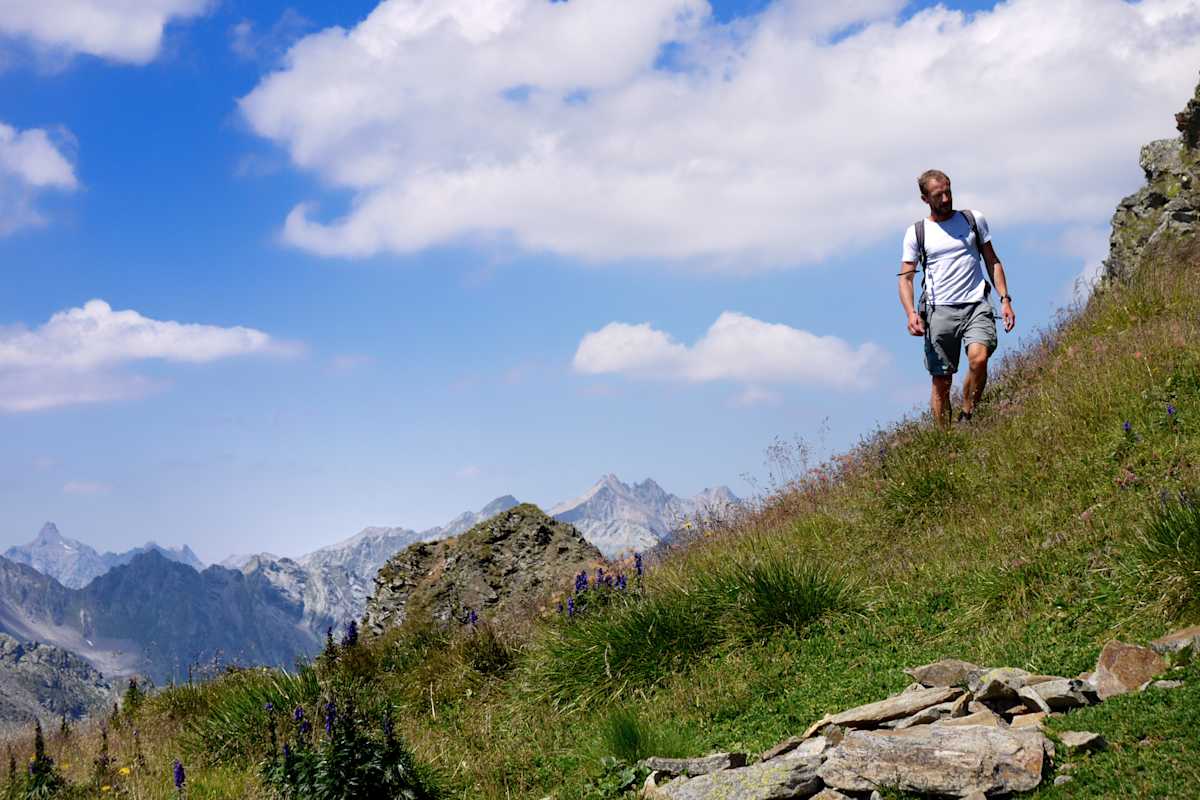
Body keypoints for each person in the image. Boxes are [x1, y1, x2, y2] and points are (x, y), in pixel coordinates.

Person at [898, 170, 1015, 427]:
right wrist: (910, 313)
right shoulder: (917, 232)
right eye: (939, 195)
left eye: (948, 191)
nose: (946, 198)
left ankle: (967, 414)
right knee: (942, 381)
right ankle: (944, 438)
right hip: (939, 312)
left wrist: (1005, 299)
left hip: (976, 304)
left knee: (979, 358)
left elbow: (992, 260)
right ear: (925, 198)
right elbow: (905, 278)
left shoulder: (973, 219)